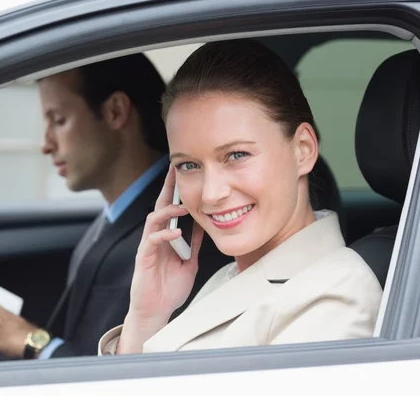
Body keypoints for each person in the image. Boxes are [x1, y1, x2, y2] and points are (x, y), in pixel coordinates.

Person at [98, 39, 383, 355]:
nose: (211, 193)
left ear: (303, 149)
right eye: (189, 165)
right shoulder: (232, 275)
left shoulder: (336, 297)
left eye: (236, 155)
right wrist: (147, 316)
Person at [0, 53, 182, 363]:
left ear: (116, 111)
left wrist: (28, 340)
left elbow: (106, 376)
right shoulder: (115, 216)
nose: (45, 144)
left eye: (59, 121)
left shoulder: (174, 230)